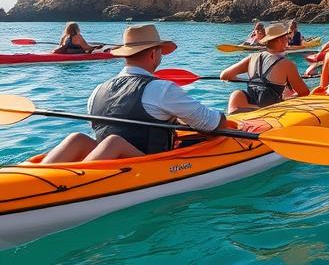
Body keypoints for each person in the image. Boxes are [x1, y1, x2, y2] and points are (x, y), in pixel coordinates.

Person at [41, 25, 229, 163]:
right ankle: (75, 185)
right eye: (160, 52)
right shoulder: (162, 89)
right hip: (143, 165)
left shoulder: (97, 90)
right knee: (113, 143)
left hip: (107, 162)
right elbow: (211, 124)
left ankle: (37, 177)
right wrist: (221, 119)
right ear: (153, 54)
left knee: (77, 139)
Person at [221, 23, 310, 113]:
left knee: (237, 94)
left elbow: (225, 75)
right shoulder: (286, 64)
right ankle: (258, 109)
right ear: (280, 40)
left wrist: (251, 81)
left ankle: (250, 108)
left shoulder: (252, 57)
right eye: (287, 37)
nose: (288, 40)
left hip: (252, 100)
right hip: (270, 107)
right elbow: (304, 92)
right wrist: (290, 97)